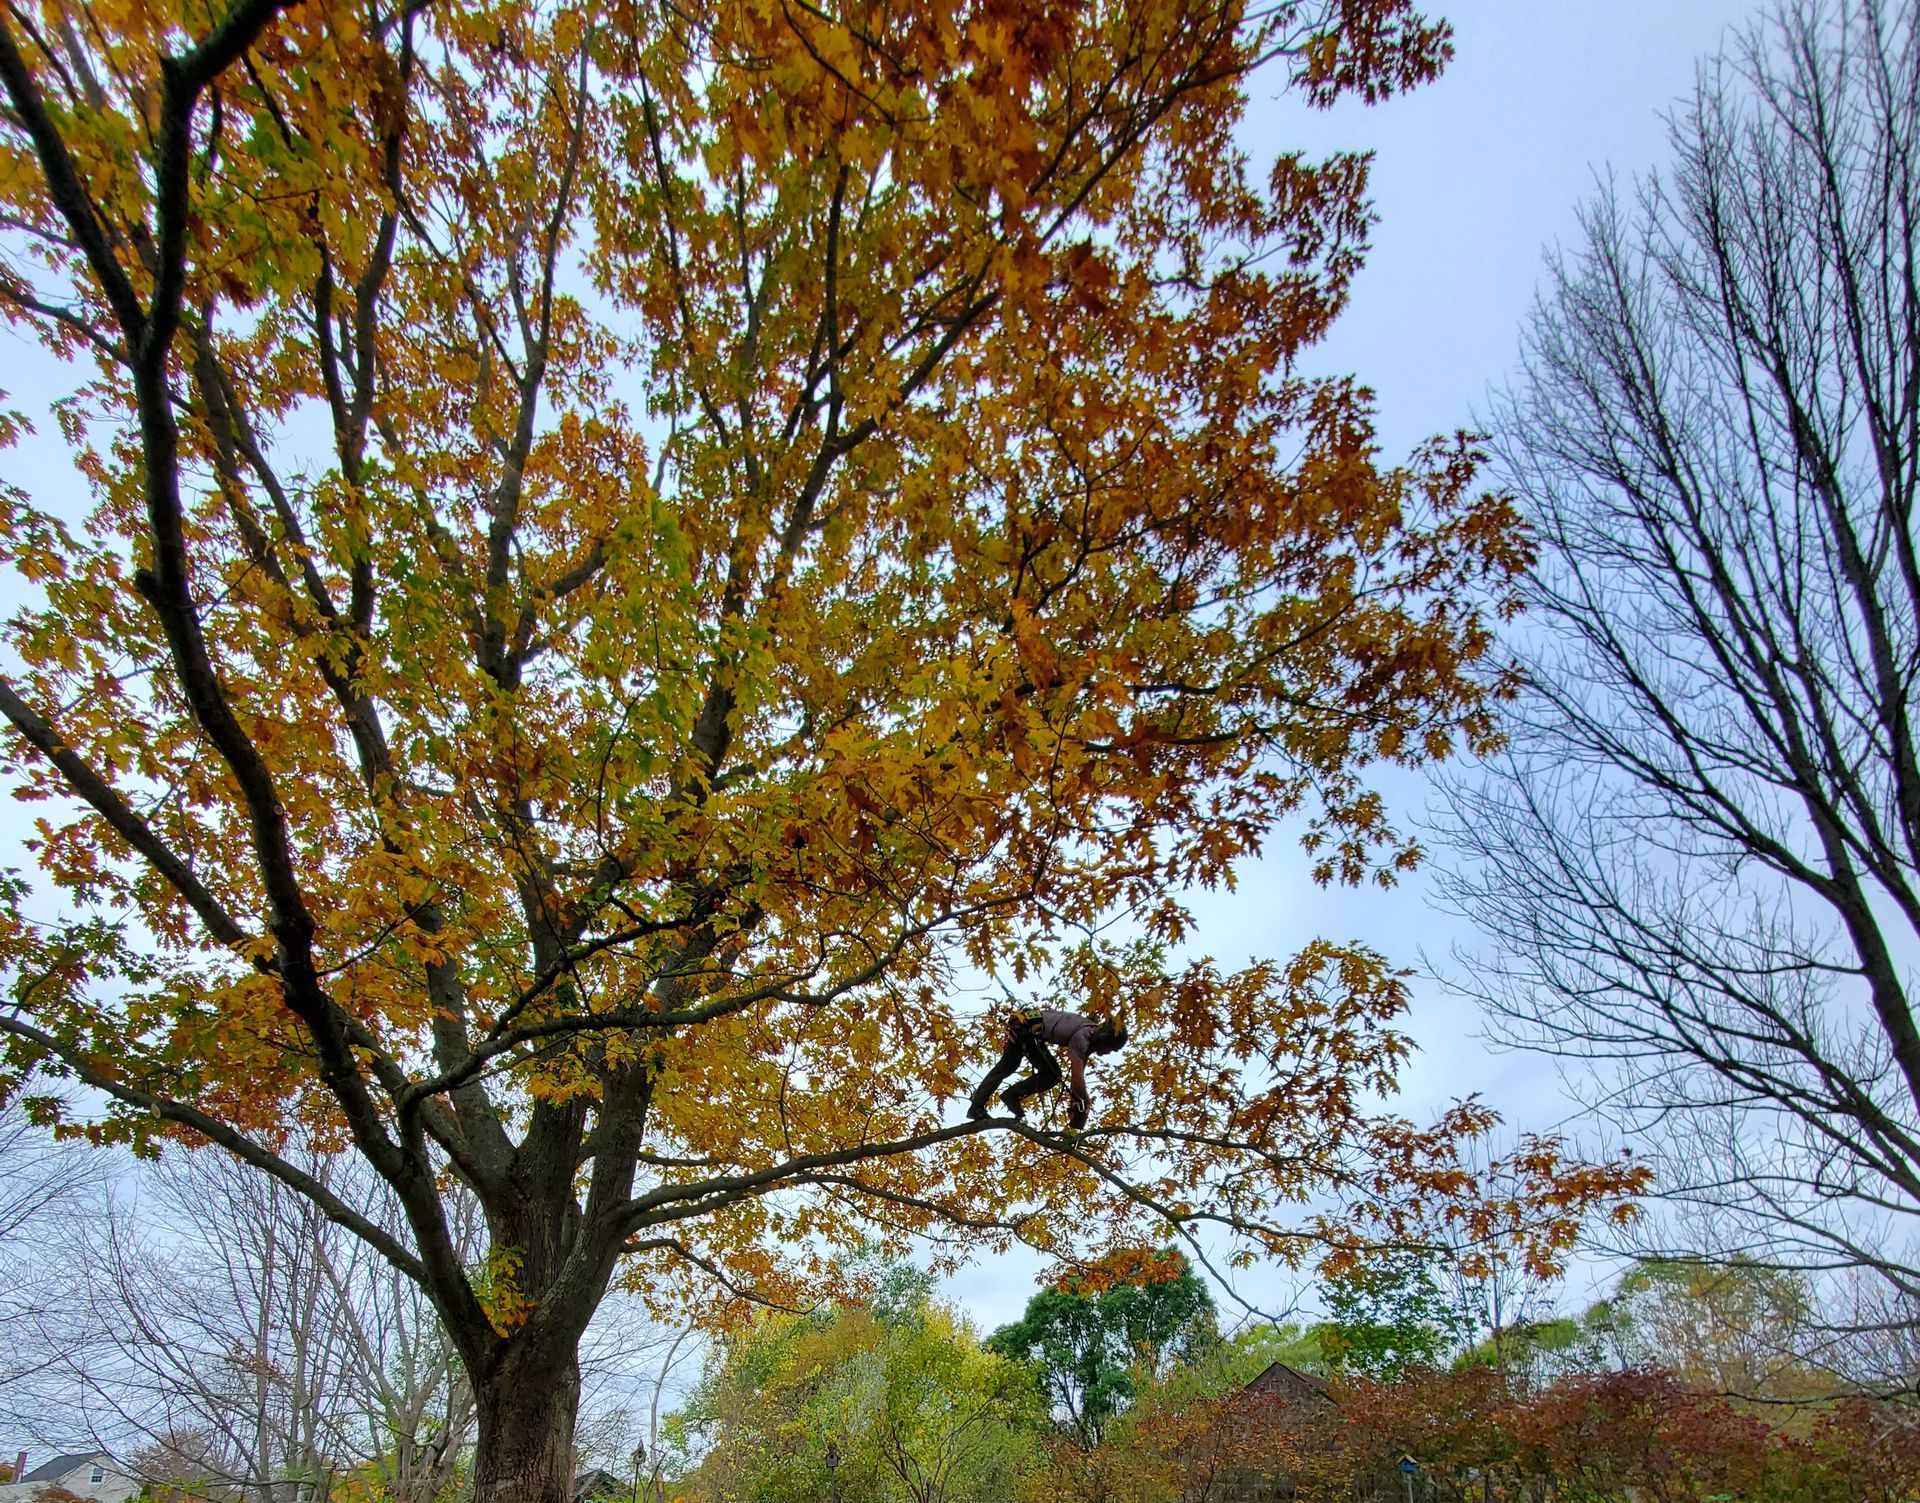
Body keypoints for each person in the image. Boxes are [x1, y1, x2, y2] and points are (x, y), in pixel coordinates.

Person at [966, 1007, 1127, 1129]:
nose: (1107, 1053)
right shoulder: (1083, 1037)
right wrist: (1085, 1103)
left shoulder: (1089, 1036)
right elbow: (1077, 1079)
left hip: (1023, 1025)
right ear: (1103, 1039)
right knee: (1053, 1075)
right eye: (1110, 1048)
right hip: (1028, 1029)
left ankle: (977, 1106)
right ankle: (1011, 1095)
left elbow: (1077, 1080)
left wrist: (1078, 1102)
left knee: (1007, 1066)